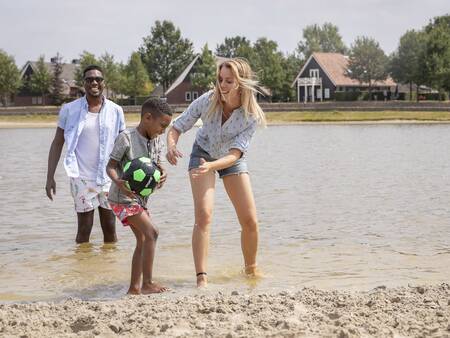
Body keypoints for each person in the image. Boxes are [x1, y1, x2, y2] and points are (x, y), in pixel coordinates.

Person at [166, 57, 266, 287]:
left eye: (229, 81)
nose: (222, 85)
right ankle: (201, 278)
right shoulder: (207, 100)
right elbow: (177, 127)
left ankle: (251, 271)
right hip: (202, 154)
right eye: (221, 79)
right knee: (204, 215)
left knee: (250, 220)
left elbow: (234, 155)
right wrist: (171, 146)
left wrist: (213, 166)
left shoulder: (251, 115)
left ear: (241, 82)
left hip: (230, 159)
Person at [45, 65, 125, 244]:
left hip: (109, 177)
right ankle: (82, 269)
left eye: (98, 79)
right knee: (83, 231)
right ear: (84, 83)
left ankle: (108, 268)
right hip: (80, 177)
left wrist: (126, 175)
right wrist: (50, 177)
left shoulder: (116, 110)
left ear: (103, 83)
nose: (94, 82)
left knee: (110, 229)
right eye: (89, 79)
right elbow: (58, 143)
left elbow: (124, 144)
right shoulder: (69, 109)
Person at [106, 98, 172, 294]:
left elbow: (158, 165)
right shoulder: (126, 138)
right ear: (147, 118)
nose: (163, 131)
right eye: (162, 126)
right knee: (152, 233)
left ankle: (134, 288)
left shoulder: (156, 141)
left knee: (143, 239)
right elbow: (110, 166)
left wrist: (162, 174)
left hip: (139, 200)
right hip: (121, 198)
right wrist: (119, 182)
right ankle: (148, 283)